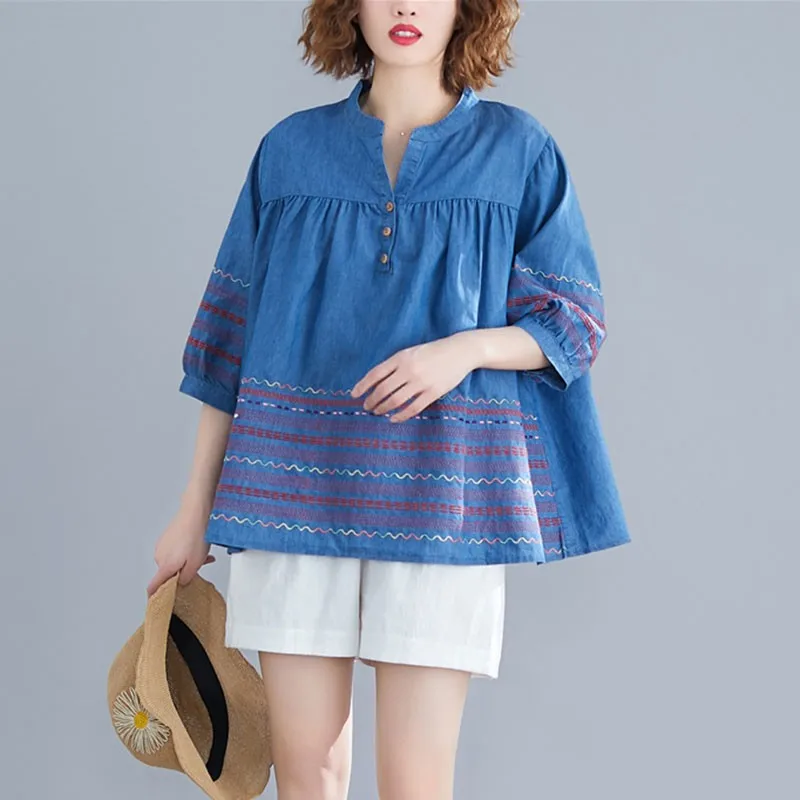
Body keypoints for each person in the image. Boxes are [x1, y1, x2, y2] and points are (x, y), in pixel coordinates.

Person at [147, 1, 631, 798]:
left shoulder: (518, 150)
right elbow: (228, 340)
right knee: (308, 775)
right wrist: (192, 509)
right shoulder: (290, 151)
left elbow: (574, 320)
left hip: (445, 494)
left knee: (415, 782)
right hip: (291, 490)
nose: (407, 5)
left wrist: (464, 350)